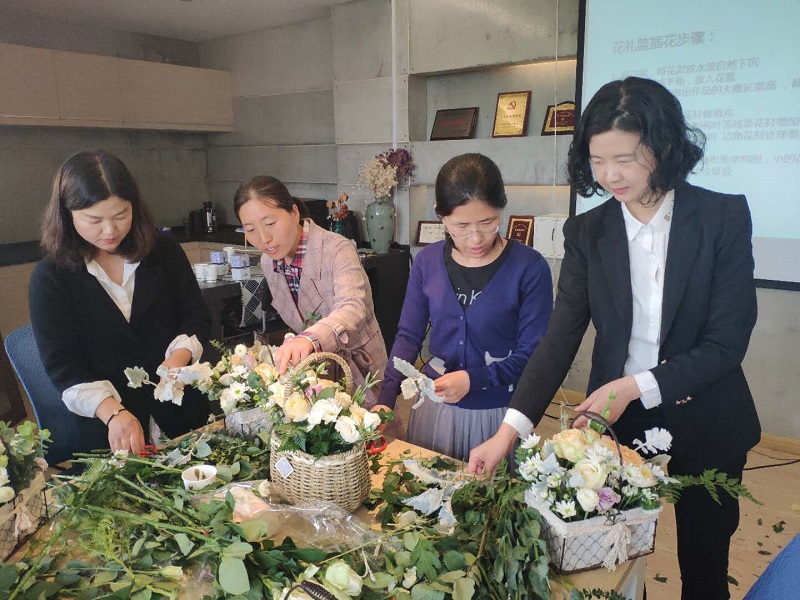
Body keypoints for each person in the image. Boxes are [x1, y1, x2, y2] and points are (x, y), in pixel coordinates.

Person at [468, 77, 760, 600]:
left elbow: (726, 343)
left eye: (624, 158)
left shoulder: (721, 217)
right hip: (617, 421)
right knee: (612, 558)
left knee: (705, 560)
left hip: (705, 412)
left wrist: (634, 386)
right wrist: (507, 433)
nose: (609, 176)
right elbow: (559, 339)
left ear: (663, 146)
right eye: (597, 160)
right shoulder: (589, 231)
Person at [30, 150, 213, 455]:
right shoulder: (51, 277)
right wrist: (113, 412)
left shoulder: (163, 251)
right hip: (109, 433)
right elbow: (65, 368)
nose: (110, 231)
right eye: (94, 220)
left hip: (183, 416)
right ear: (67, 214)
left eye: (120, 215)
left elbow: (195, 316)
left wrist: (178, 359)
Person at [373, 153, 553, 461]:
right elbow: (408, 336)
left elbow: (534, 356)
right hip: (434, 411)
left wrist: (474, 380)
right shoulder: (427, 262)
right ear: (440, 216)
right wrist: (386, 399)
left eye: (488, 223)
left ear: (502, 208)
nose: (475, 238)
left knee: (490, 489)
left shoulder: (529, 267)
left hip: (501, 417)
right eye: (461, 226)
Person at [233, 176, 387, 405]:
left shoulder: (337, 249)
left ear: (294, 212)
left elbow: (352, 307)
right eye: (250, 229)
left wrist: (308, 339)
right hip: (317, 375)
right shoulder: (269, 261)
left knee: (377, 424)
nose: (264, 238)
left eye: (270, 223)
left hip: (362, 369)